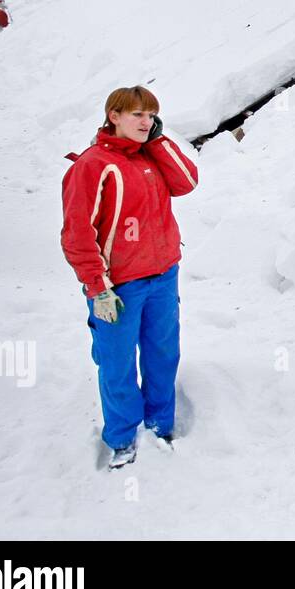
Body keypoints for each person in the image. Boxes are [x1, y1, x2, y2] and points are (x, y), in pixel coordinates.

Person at [60, 85, 199, 470]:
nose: (145, 121)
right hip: (117, 286)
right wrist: (97, 287)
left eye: (151, 115)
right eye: (136, 114)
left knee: (162, 354)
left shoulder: (151, 156)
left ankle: (160, 424)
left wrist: (158, 142)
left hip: (163, 276)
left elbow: (187, 181)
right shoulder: (92, 165)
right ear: (113, 116)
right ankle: (122, 437)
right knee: (117, 363)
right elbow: (77, 233)